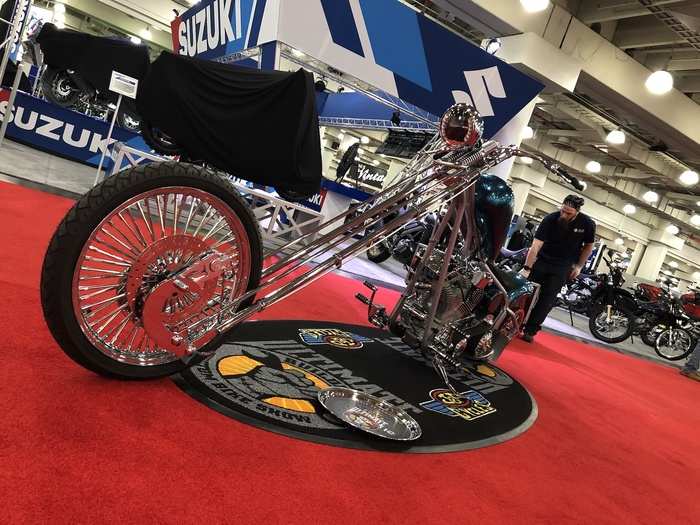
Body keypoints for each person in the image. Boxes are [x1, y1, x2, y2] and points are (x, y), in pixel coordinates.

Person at [520, 195, 596, 342]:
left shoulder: (587, 223)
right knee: (526, 293)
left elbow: (588, 246)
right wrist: (527, 268)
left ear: (577, 212)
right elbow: (535, 245)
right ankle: (517, 321)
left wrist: (579, 266)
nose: (564, 214)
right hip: (542, 260)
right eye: (563, 211)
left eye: (568, 213)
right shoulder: (550, 219)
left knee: (547, 300)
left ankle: (531, 329)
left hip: (563, 266)